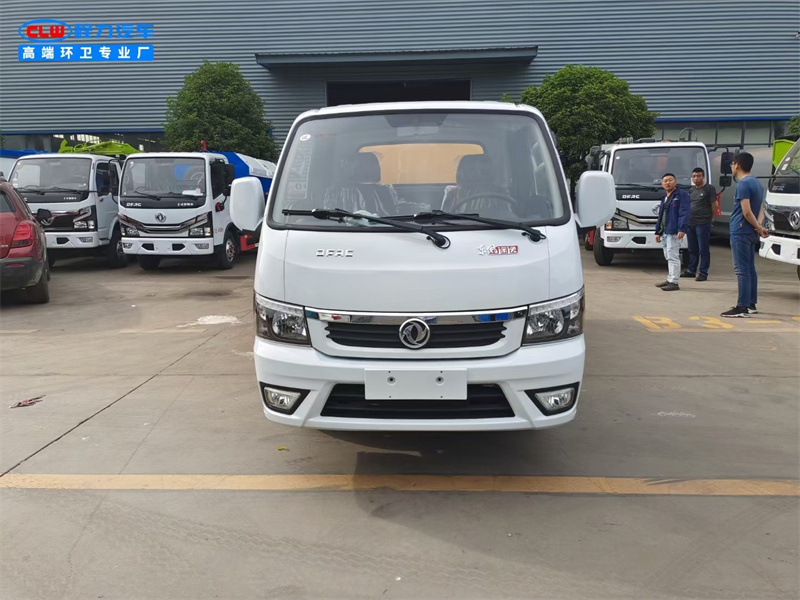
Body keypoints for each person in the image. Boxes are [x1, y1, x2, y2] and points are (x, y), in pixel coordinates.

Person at [721, 152, 767, 318]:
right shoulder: (756, 183)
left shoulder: (743, 184)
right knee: (749, 268)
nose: (731, 167)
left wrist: (757, 227)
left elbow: (746, 212)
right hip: (750, 231)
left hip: (740, 230)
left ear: (737, 165)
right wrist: (758, 226)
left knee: (741, 270)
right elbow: (761, 207)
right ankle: (751, 303)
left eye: (732, 164)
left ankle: (742, 307)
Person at [654, 173, 691, 291]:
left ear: (675, 182)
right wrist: (657, 231)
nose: (667, 183)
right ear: (662, 184)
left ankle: (674, 282)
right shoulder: (664, 197)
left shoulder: (682, 195)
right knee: (668, 255)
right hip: (665, 231)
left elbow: (684, 213)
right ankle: (670, 279)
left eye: (670, 180)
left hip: (674, 231)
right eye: (665, 181)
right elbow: (661, 216)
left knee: (673, 256)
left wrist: (682, 228)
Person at [682, 167, 718, 281]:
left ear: (703, 177)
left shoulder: (709, 189)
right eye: (694, 176)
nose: (696, 178)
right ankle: (691, 270)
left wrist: (712, 218)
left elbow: (714, 204)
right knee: (692, 249)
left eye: (698, 176)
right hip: (690, 223)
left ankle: (703, 272)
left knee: (703, 249)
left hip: (703, 223)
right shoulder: (691, 190)